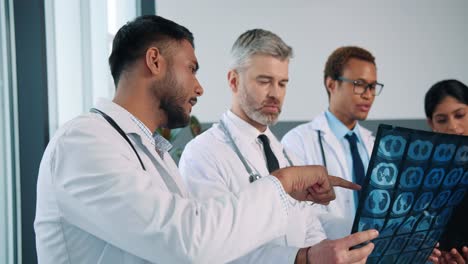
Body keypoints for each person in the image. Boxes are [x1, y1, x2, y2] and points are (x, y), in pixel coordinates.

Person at [34, 15, 378, 263]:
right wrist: (282, 184)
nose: (199, 87)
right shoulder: (83, 141)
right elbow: (190, 242)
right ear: (155, 61)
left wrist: (311, 254)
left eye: (282, 83)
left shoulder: (155, 153)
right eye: (192, 68)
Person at [179, 29, 377, 263]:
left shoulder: (287, 156)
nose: (276, 94)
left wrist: (340, 254)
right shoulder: (203, 154)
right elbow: (211, 249)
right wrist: (304, 258)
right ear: (234, 81)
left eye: (282, 83)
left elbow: (310, 230)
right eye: (264, 81)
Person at [282, 46, 383, 239]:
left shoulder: (374, 144)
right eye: (359, 84)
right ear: (331, 84)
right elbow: (300, 214)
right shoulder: (297, 142)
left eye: (372, 86)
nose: (368, 94)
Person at [424, 79, 468, 264]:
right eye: (442, 120)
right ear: (431, 123)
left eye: (460, 115)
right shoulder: (421, 175)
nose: (452, 126)